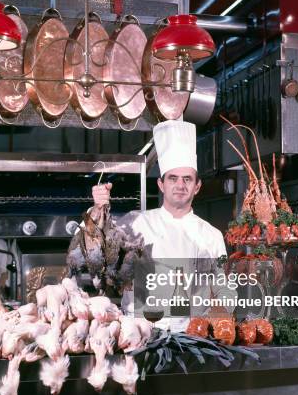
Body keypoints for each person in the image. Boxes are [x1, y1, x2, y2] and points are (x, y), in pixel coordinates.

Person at [91, 120, 230, 330]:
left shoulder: (212, 236)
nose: (180, 186)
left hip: (191, 337)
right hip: (138, 335)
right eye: (173, 178)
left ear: (197, 186)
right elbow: (94, 250)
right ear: (161, 184)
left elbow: (221, 292)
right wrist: (98, 208)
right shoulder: (135, 222)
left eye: (187, 179)